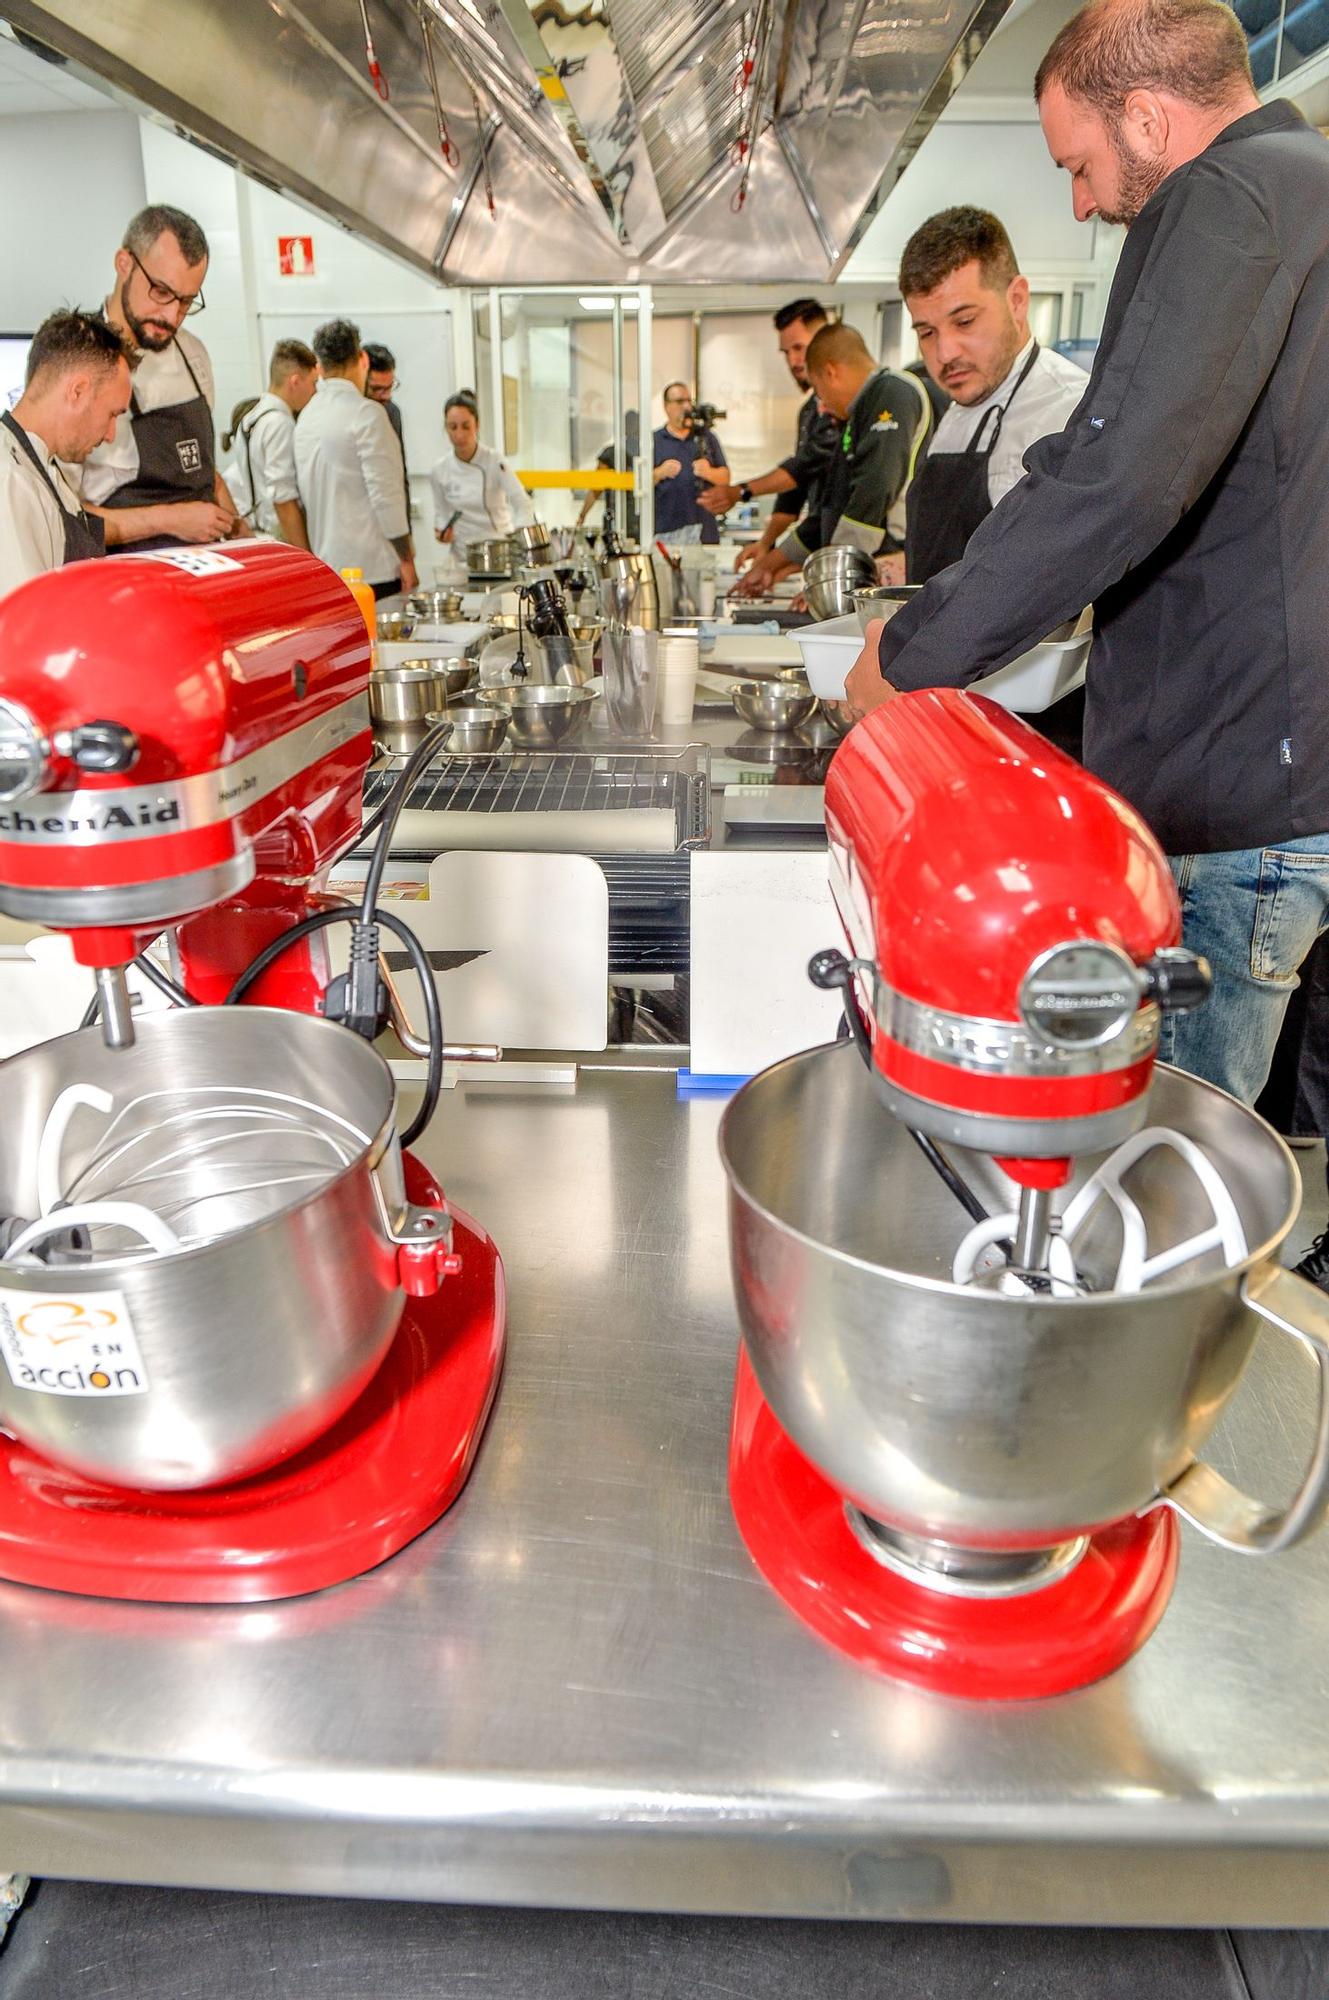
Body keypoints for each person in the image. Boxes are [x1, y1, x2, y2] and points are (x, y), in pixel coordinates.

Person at [844, 0, 1329, 1151]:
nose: (1079, 202)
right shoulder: (1309, 186)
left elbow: (1118, 474)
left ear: (1152, 118)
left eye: (1082, 163)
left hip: (1235, 799)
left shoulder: (1226, 200)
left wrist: (908, 655)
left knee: (1163, 1169)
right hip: (1293, 776)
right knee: (1286, 1161)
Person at [899, 207, 1087, 586]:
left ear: (1017, 299)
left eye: (964, 321)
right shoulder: (957, 414)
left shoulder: (1070, 410)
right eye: (927, 332)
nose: (945, 352)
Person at [83, 204, 243, 550]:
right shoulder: (80, 364)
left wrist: (239, 531)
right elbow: (66, 516)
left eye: (186, 301)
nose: (171, 315)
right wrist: (173, 519)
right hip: (131, 578)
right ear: (124, 263)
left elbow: (202, 474)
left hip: (205, 567)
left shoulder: (193, 353)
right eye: (161, 291)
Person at [700, 299, 840, 591]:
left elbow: (805, 465)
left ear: (826, 338)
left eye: (799, 348)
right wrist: (766, 543)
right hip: (821, 545)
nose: (792, 361)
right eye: (786, 352)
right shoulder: (809, 411)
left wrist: (741, 491)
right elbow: (796, 487)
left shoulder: (842, 407)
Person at [769, 325, 929, 573]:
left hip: (891, 562)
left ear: (830, 372)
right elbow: (832, 504)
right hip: (864, 564)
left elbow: (876, 487)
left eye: (819, 390)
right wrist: (771, 564)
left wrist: (837, 572)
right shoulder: (855, 414)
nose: (821, 406)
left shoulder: (892, 392)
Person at [0, 309, 134, 596]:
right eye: (112, 414)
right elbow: (22, 624)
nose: (111, 435)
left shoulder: (42, 467)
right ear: (78, 391)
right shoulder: (10, 478)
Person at [295, 318, 416, 600]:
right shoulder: (368, 415)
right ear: (361, 358)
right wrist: (407, 556)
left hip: (329, 569)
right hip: (374, 571)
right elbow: (386, 496)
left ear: (319, 367)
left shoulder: (306, 417)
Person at [221, 338, 317, 547]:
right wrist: (306, 554)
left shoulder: (251, 417)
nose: (314, 392)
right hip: (280, 535)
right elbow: (282, 497)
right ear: (295, 381)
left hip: (257, 529)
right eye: (313, 383)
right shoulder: (280, 423)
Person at [430, 390, 532, 555]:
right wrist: (442, 534)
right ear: (445, 427)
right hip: (463, 555)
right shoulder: (439, 470)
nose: (459, 435)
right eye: (452, 427)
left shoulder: (494, 460)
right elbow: (441, 516)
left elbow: (523, 503)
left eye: (466, 426)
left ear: (477, 425)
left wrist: (518, 538)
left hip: (499, 551)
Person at [652, 385, 729, 546]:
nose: (686, 406)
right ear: (666, 406)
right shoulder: (655, 441)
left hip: (704, 534)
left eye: (689, 401)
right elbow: (639, 485)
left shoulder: (706, 437)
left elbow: (725, 477)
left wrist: (708, 472)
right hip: (666, 534)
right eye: (680, 401)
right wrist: (658, 473)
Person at [574, 409, 640, 543]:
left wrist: (582, 516)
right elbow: (596, 487)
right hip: (638, 519)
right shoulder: (647, 452)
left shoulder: (612, 453)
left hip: (618, 519)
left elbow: (595, 489)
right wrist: (582, 515)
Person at [364, 342, 410, 522]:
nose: (386, 395)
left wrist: (407, 531)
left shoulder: (392, 412)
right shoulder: (348, 416)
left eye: (390, 387)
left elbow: (400, 474)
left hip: (390, 521)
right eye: (377, 389)